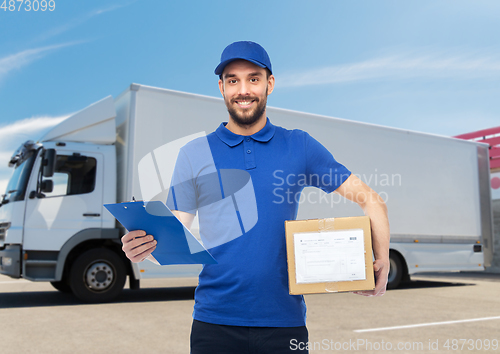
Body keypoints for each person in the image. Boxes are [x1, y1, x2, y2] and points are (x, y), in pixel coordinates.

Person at [121, 41, 390, 354]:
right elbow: (174, 234)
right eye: (233, 80)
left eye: (253, 78)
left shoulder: (298, 145)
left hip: (284, 323)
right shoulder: (194, 154)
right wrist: (142, 247)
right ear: (221, 88)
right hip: (214, 323)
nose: (243, 90)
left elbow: (371, 199)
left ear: (269, 84)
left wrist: (381, 256)